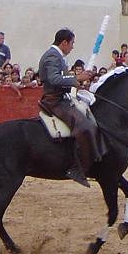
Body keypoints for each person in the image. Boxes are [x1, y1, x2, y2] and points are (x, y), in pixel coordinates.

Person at [38, 28, 102, 187]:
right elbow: (54, 79)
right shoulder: (53, 56)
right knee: (85, 126)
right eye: (72, 43)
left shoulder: (55, 56)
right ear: (64, 42)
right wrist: (76, 77)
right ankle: (76, 167)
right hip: (55, 101)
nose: (72, 47)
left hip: (60, 98)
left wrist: (77, 81)